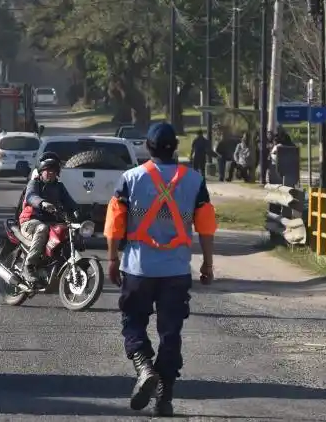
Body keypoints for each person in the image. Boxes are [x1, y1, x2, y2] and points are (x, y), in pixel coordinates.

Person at [104, 122, 217, 415]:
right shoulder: (194, 180)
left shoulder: (130, 178)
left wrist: (113, 258)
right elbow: (205, 226)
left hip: (138, 268)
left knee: (133, 322)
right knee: (171, 334)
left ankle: (143, 367)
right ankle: (164, 397)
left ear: (148, 148)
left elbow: (115, 224)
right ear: (175, 148)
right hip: (176, 271)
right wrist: (207, 262)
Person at [18, 156, 78, 285]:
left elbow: (70, 203)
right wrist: (42, 203)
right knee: (42, 228)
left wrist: (81, 212)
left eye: (54, 170)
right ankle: (29, 266)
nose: (51, 173)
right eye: (48, 170)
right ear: (41, 171)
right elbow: (31, 196)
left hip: (51, 222)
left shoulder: (59, 187)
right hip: (31, 221)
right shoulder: (34, 183)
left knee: (68, 232)